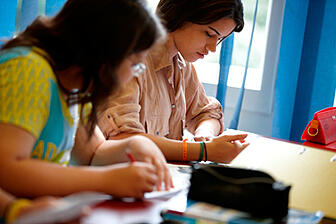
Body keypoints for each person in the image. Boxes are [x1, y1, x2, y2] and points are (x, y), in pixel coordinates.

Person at [0, 0, 172, 202]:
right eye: (135, 64)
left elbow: (93, 153)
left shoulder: (74, 85)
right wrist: (106, 180)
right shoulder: (28, 70)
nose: (133, 75)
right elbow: (7, 168)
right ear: (104, 52)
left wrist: (136, 144)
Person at [96, 0, 249, 163]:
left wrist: (205, 135)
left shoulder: (182, 64)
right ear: (180, 16)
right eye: (209, 34)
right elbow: (122, 138)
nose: (213, 48)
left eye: (219, 39)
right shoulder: (130, 61)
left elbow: (206, 113)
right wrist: (201, 151)